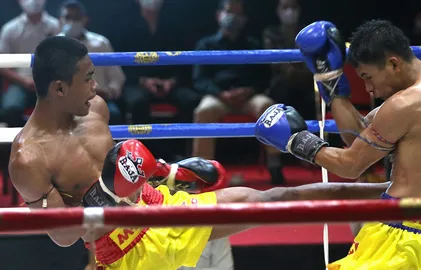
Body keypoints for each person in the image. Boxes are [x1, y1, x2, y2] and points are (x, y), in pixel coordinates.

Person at [9, 36, 391, 270]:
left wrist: (168, 173)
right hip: (126, 255)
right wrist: (106, 193)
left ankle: (396, 192)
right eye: (88, 78)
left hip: (159, 207)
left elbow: (130, 171)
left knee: (276, 198)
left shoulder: (96, 111)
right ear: (58, 89)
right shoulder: (29, 159)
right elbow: (62, 236)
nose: (96, 87)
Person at [254, 20, 421, 269]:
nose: (369, 89)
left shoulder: (404, 105)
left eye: (368, 77)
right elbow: (360, 139)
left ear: (393, 64)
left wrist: (297, 141)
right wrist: (329, 79)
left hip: (398, 238)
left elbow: (351, 165)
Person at [193, 0, 284, 184]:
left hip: (248, 97)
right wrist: (220, 93)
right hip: (219, 96)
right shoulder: (206, 44)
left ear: (244, 18)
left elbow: (264, 77)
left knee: (269, 106)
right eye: (228, 11)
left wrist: (248, 90)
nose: (232, 17)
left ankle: (275, 166)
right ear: (219, 15)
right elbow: (199, 79)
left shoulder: (253, 43)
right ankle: (201, 172)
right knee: (203, 111)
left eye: (237, 13)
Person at [58, 0, 125, 125]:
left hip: (98, 98)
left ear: (85, 19)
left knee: (114, 114)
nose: (72, 21)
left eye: (76, 17)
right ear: (60, 20)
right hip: (63, 101)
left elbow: (117, 77)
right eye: (68, 17)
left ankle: (111, 145)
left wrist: (110, 92)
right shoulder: (52, 45)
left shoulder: (100, 43)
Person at [0, 0, 60, 127]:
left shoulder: (57, 26)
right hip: (20, 82)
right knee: (11, 108)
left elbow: (65, 59)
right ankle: (20, 142)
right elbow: (2, 65)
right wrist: (23, 81)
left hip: (52, 81)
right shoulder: (10, 29)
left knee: (64, 107)